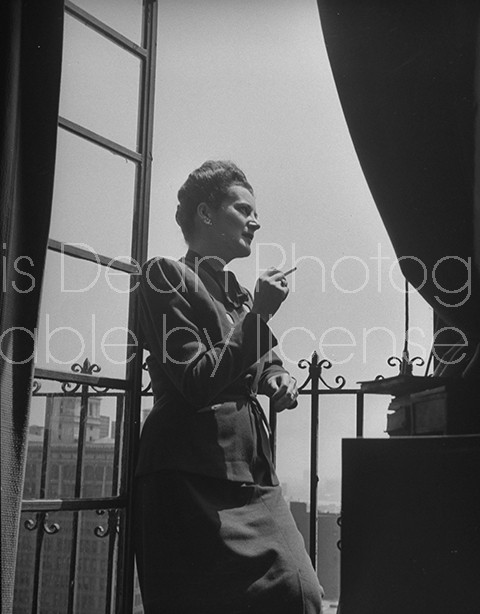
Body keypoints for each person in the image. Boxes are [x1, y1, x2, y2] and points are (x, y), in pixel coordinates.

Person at [134, 160, 324, 613]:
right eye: (243, 209)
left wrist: (280, 381)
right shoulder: (165, 277)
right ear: (205, 214)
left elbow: (266, 364)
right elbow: (196, 381)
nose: (255, 221)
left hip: (250, 471)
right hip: (189, 474)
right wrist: (258, 317)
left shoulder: (236, 292)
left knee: (301, 593)